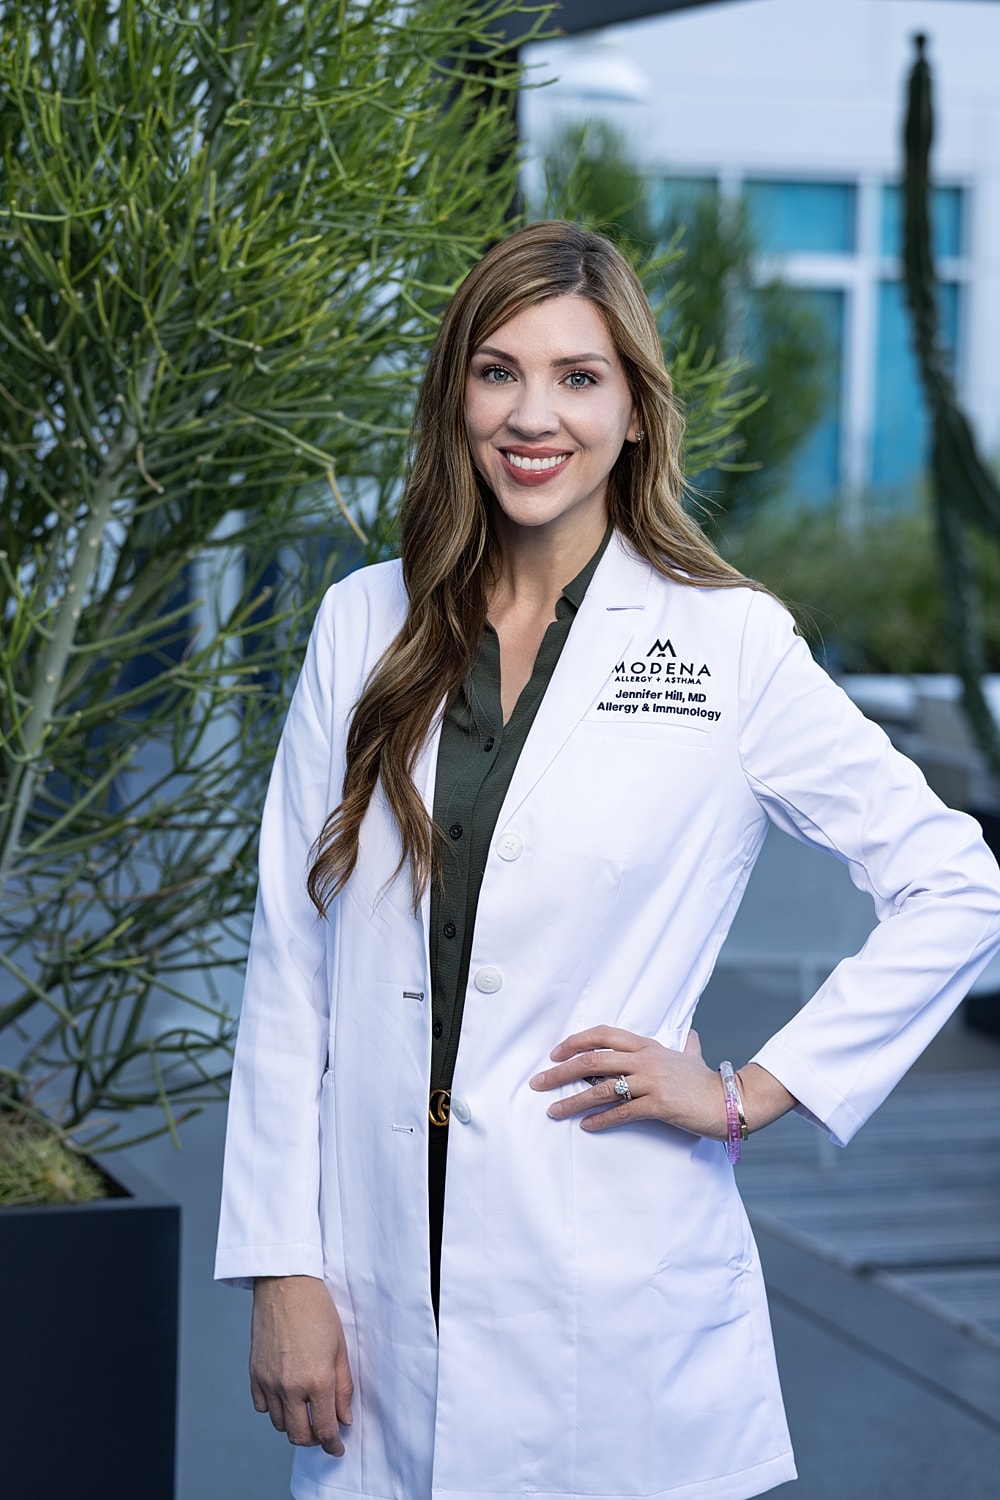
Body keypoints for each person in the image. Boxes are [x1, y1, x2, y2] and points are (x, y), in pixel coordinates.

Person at [216, 220, 1000, 1500]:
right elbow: (292, 959)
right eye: (498, 371)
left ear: (634, 410)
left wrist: (752, 1090)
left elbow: (956, 884)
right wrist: (281, 1265)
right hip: (375, 1274)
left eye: (578, 376)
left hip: (611, 1291)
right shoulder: (363, 621)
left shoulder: (727, 644)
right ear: (456, 396)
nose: (534, 415)